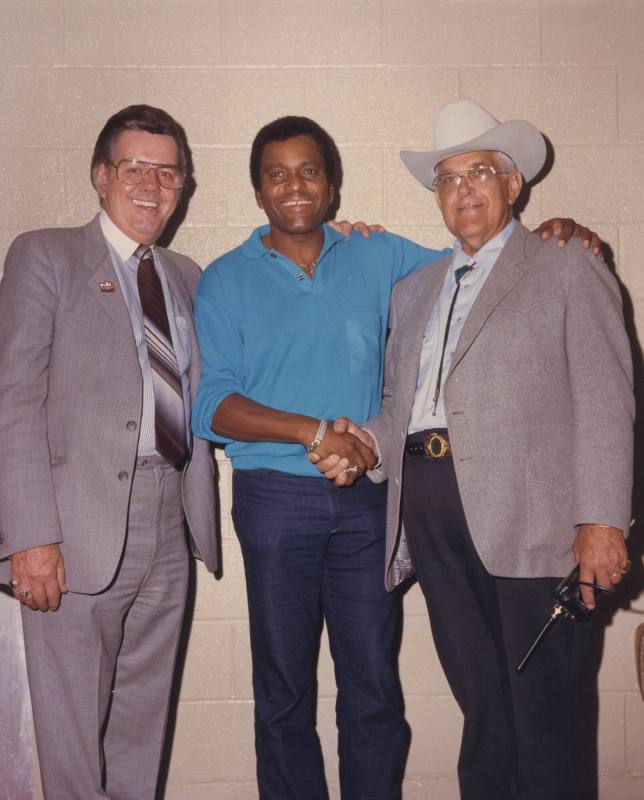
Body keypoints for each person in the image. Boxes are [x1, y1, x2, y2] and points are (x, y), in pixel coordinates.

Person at [191, 114, 596, 799]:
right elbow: (211, 405)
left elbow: (483, 262)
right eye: (277, 174)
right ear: (258, 191)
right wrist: (314, 433)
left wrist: (560, 229)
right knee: (283, 690)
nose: (295, 186)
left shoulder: (381, 258)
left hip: (368, 502)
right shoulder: (224, 279)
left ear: (333, 185)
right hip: (274, 503)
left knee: (373, 687)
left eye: (310, 170)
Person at [313, 100, 634, 799]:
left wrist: (603, 521)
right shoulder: (415, 290)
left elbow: (608, 399)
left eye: (480, 172)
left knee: (545, 717)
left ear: (514, 185)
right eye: (448, 178)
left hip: (534, 523)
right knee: (483, 711)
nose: (463, 189)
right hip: (432, 513)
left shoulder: (565, 264)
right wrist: (364, 442)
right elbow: (404, 405)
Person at [0, 105, 218, 800]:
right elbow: (13, 402)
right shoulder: (45, 255)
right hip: (73, 531)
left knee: (139, 730)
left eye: (168, 172)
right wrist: (30, 536)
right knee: (71, 737)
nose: (152, 185)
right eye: (134, 168)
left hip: (169, 523)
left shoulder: (188, 274)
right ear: (101, 176)